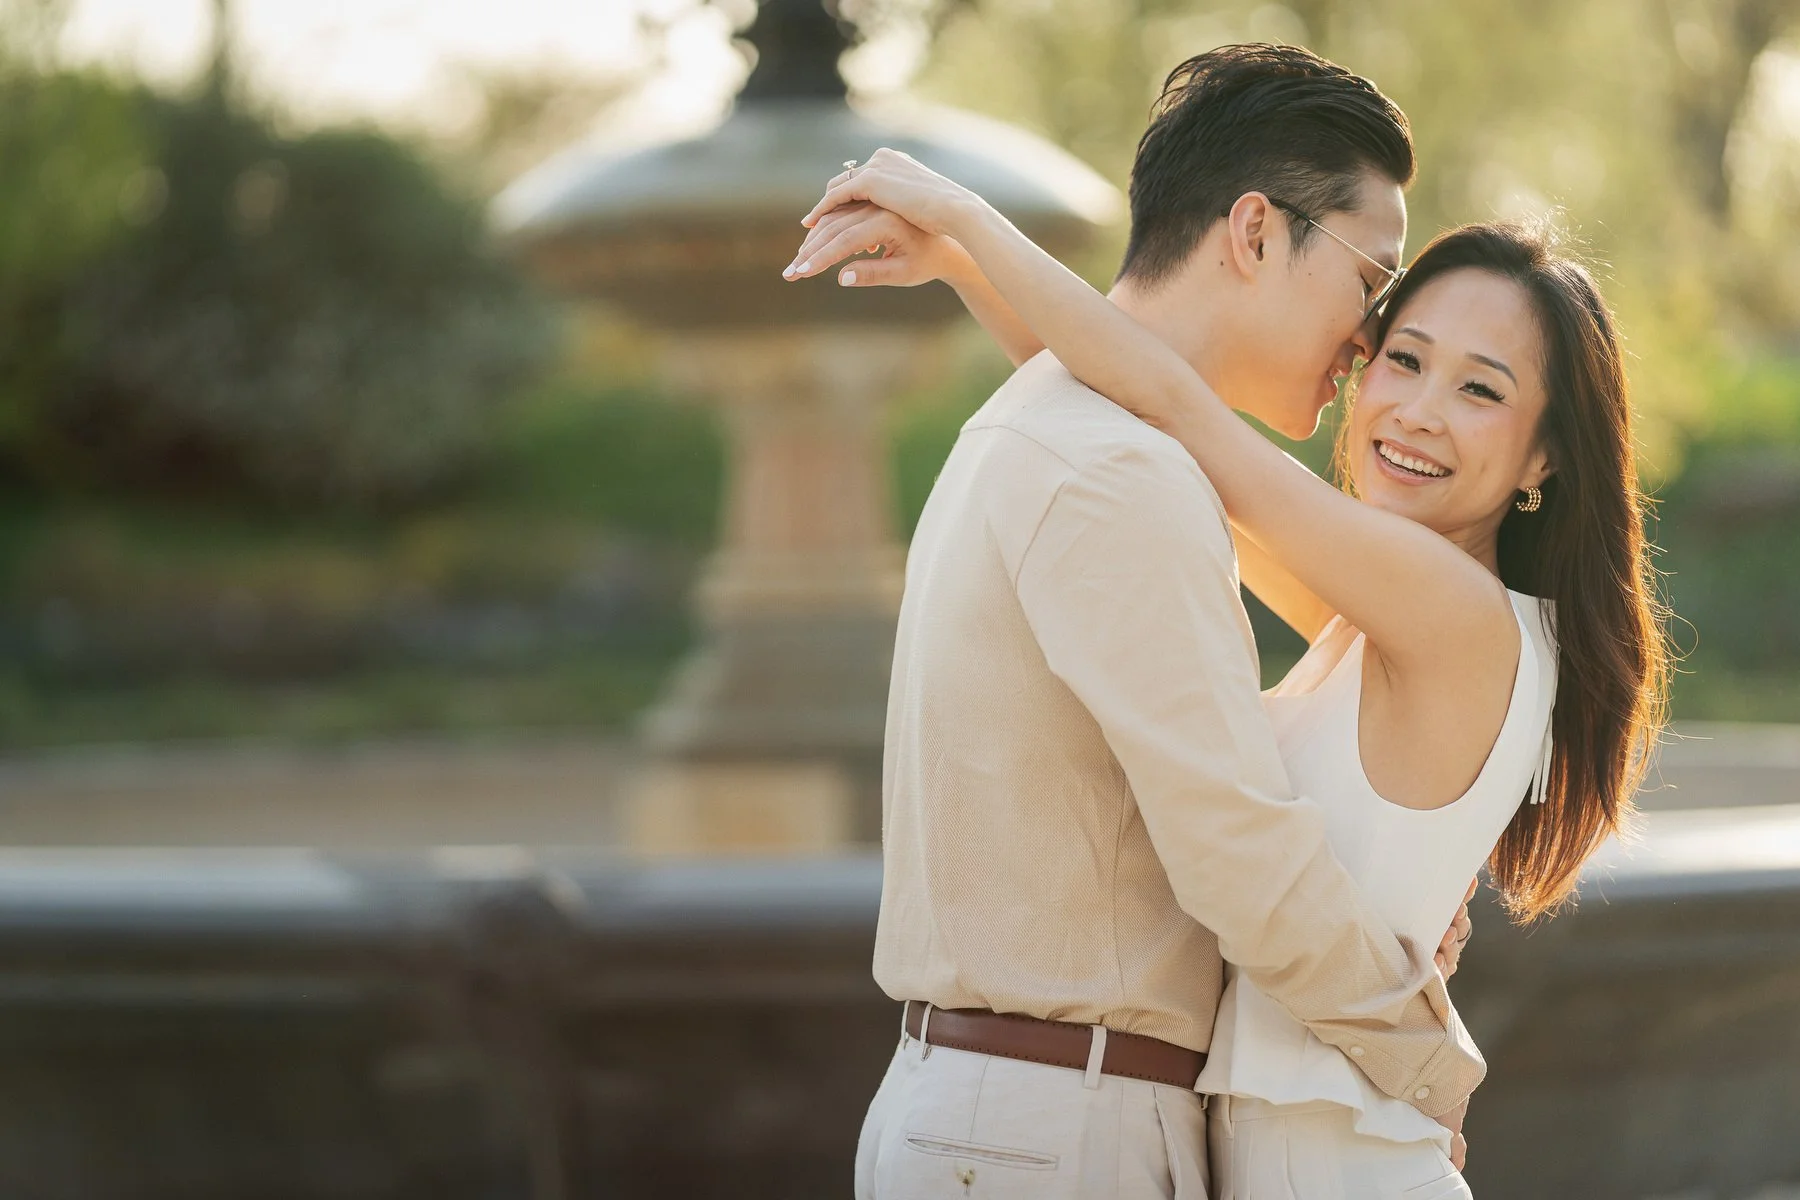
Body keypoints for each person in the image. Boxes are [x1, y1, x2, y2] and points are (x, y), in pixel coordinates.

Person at [785, 58, 1669, 1200]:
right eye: (1395, 331)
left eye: (1483, 390)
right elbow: (1144, 407)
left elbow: (1173, 415)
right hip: (1156, 1139)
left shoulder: (1440, 613)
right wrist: (963, 254)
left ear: (1547, 455)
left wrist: (966, 226)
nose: (1379, 369)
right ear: (1256, 233)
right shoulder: (1230, 535)